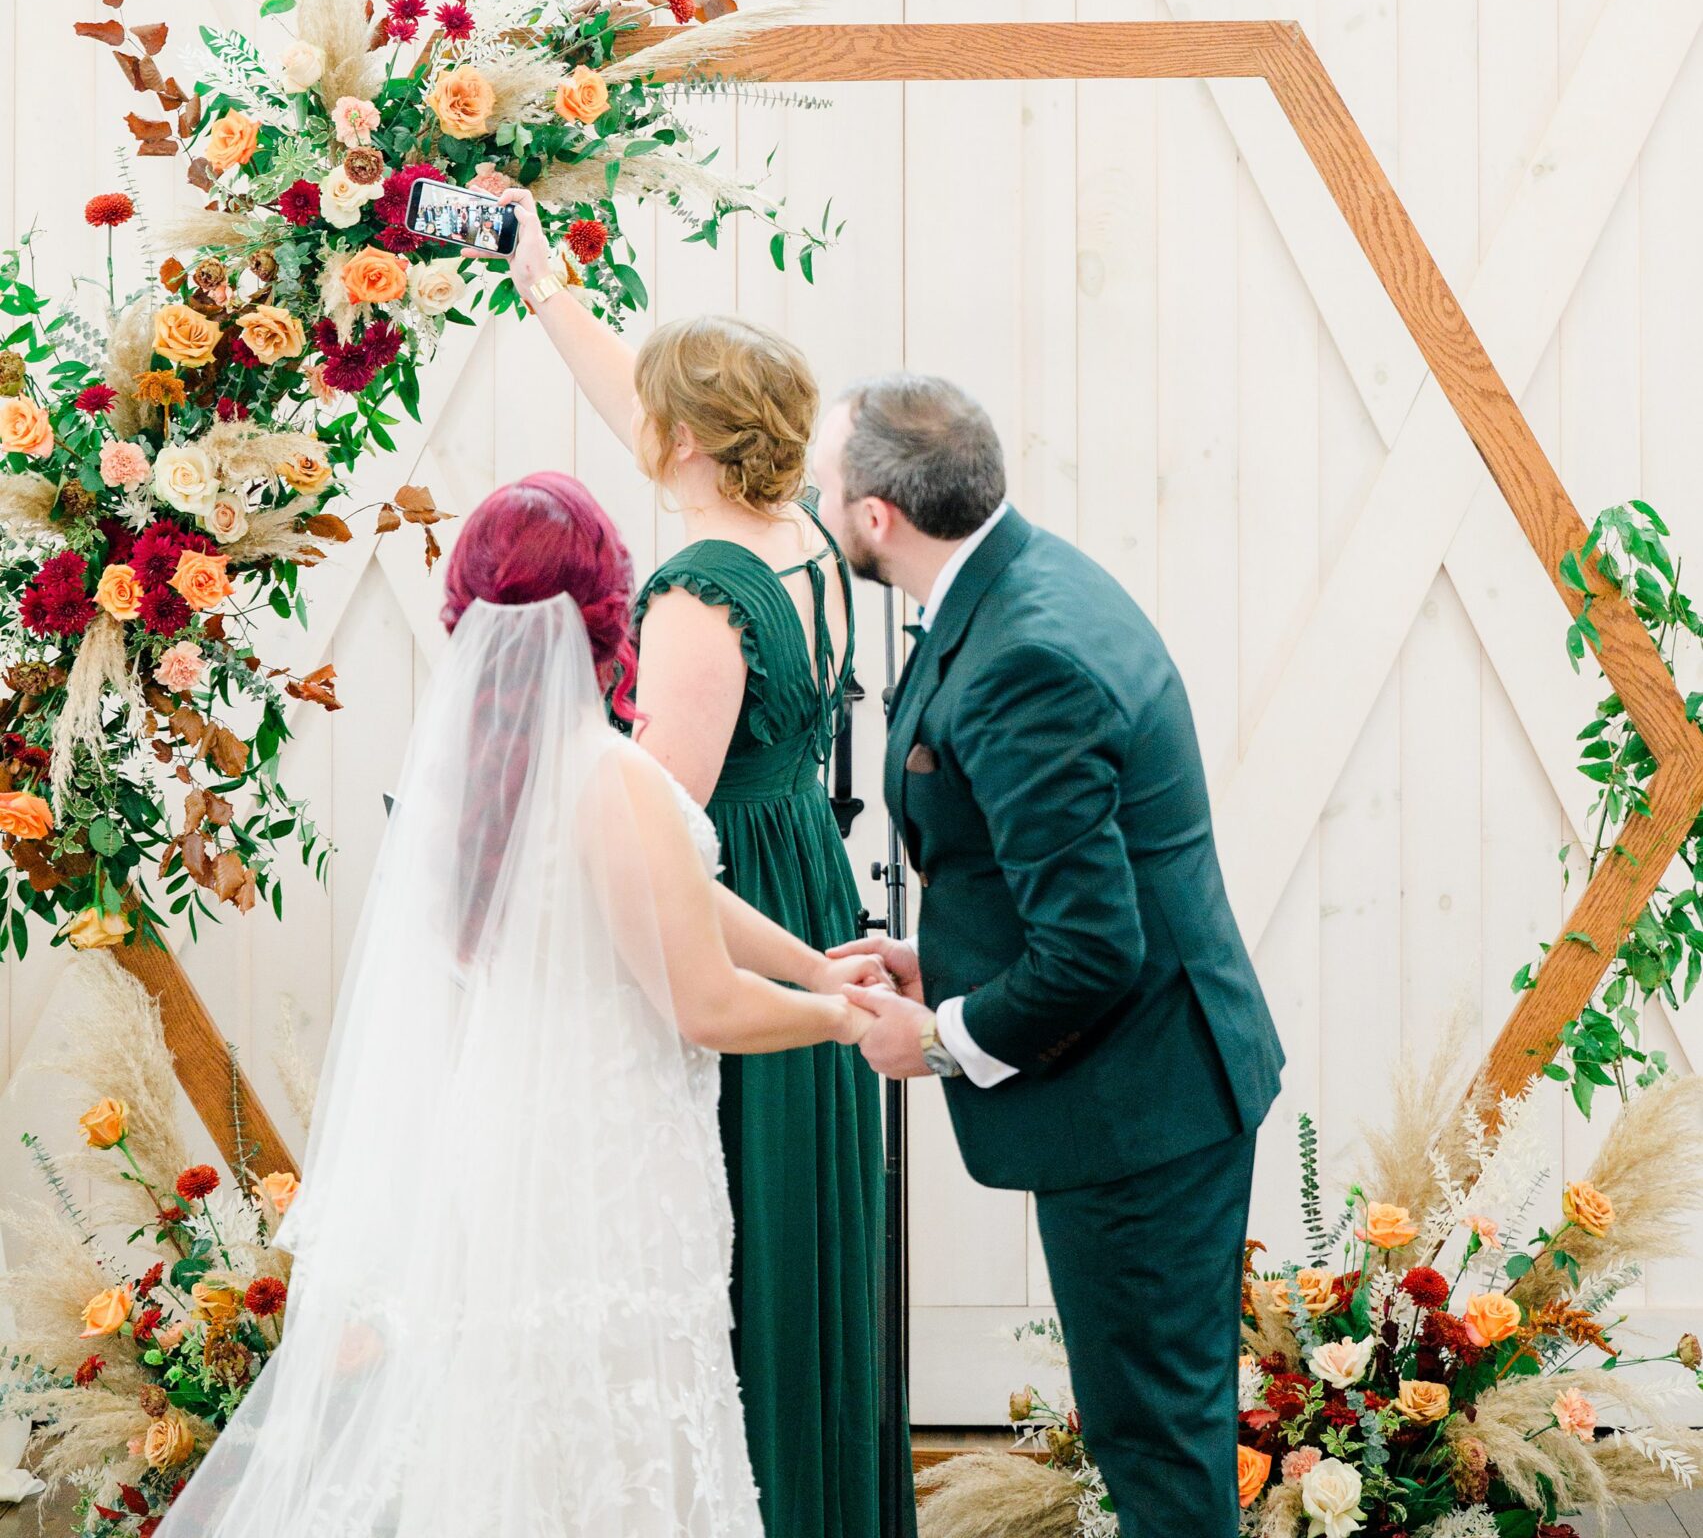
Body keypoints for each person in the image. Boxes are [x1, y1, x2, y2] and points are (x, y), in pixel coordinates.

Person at [157, 472, 878, 1538]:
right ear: (606, 608)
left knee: (513, 1434)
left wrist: (818, 968)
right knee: (625, 1434)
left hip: (502, 1154)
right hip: (615, 1168)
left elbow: (680, 892)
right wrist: (849, 1023)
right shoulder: (611, 776)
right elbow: (702, 1004)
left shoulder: (475, 782)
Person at [499, 189, 907, 1538]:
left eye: (650, 419)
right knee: (809, 1254)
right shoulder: (807, 550)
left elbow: (655, 830)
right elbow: (645, 392)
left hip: (731, 910)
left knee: (736, 1264)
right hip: (808, 881)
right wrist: (542, 280)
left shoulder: (694, 596)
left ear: (680, 443)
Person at [816, 375, 1286, 1538]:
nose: (815, 508)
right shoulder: (1017, 579)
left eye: (824, 489)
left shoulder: (1026, 653)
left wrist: (936, 1040)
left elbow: (1089, 949)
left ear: (877, 515)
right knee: (1151, 1433)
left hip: (1144, 1106)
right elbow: (1054, 868)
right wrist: (941, 955)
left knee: (1158, 1450)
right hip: (1147, 1078)